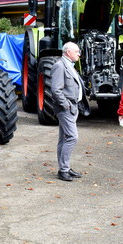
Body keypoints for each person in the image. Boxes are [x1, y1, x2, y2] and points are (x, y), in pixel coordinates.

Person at [51, 42, 85, 181]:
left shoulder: (69, 65)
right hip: (66, 108)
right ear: (68, 52)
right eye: (77, 51)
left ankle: (64, 168)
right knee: (72, 137)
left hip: (72, 106)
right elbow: (56, 90)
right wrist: (66, 105)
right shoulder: (60, 66)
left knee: (64, 138)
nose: (79, 54)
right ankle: (64, 170)